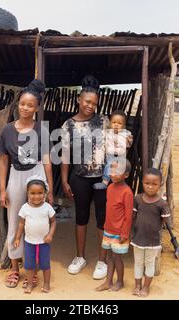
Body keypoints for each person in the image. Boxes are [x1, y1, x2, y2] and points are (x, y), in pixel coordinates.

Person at [0, 79, 54, 288]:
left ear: (37, 108)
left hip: (37, 174)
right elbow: (4, 161)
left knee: (37, 223)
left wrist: (50, 190)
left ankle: (34, 268)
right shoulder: (8, 131)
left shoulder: (42, 130)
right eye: (23, 104)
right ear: (18, 104)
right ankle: (14, 268)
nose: (25, 108)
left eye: (30, 105)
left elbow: (47, 161)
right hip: (16, 175)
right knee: (14, 221)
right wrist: (3, 189)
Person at [61, 75, 110, 279]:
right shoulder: (68, 125)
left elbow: (114, 146)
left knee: (102, 219)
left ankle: (102, 261)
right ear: (79, 100)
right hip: (79, 178)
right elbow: (64, 155)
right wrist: (64, 180)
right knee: (80, 218)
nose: (90, 106)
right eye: (87, 101)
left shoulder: (103, 121)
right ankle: (80, 257)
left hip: (102, 179)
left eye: (94, 103)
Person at [131, 168, 171, 297]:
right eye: (147, 183)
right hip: (138, 238)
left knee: (149, 263)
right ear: (142, 182)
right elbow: (133, 216)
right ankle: (137, 285)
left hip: (152, 241)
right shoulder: (137, 199)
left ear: (160, 185)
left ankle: (146, 287)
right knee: (138, 262)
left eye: (154, 184)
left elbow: (164, 220)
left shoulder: (162, 204)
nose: (150, 187)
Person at [14, 176, 56, 294]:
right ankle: (30, 283)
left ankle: (47, 283)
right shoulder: (25, 208)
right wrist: (17, 238)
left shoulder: (47, 207)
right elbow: (21, 224)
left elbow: (53, 222)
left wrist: (50, 234)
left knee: (45, 264)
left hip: (44, 242)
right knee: (29, 265)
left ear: (45, 193)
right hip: (29, 242)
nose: (36, 196)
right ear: (27, 193)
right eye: (32, 193)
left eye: (40, 193)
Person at [96, 160, 133, 292]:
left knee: (117, 258)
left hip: (119, 232)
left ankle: (120, 282)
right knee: (109, 257)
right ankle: (108, 281)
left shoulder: (127, 192)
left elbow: (128, 216)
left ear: (126, 175)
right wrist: (106, 226)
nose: (112, 174)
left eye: (117, 172)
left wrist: (124, 233)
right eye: (111, 170)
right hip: (108, 229)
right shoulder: (110, 188)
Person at [93, 110, 133, 190]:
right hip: (110, 155)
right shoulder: (108, 132)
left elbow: (128, 145)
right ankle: (105, 182)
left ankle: (110, 183)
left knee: (116, 169)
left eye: (119, 123)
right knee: (108, 166)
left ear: (124, 125)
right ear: (110, 123)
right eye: (114, 122)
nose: (116, 125)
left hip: (120, 157)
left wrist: (129, 141)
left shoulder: (126, 133)